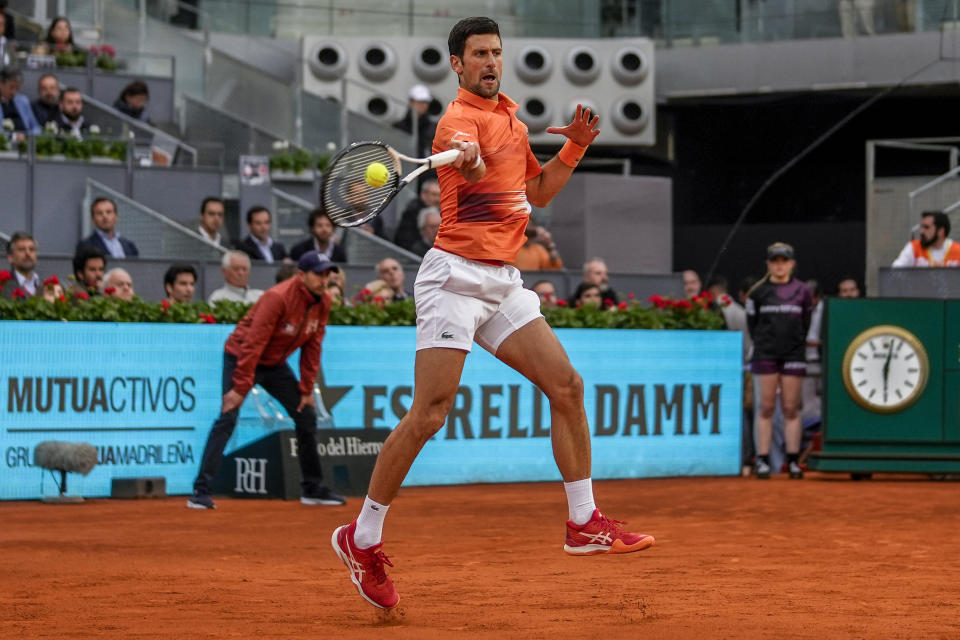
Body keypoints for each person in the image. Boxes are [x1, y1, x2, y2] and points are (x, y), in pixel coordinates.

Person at [332, 16, 653, 612]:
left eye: (496, 53)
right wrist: (470, 162)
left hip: (503, 280)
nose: (490, 62)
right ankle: (362, 536)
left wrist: (576, 146)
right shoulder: (454, 124)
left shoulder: (511, 119)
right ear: (457, 64)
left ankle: (583, 522)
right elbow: (473, 174)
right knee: (430, 414)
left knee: (567, 385)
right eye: (479, 54)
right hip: (453, 277)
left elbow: (537, 194)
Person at [188, 251, 346, 510]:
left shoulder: (324, 301)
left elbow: (313, 347)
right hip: (242, 356)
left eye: (327, 274)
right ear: (301, 275)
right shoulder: (277, 297)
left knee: (305, 414)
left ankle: (312, 488)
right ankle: (201, 491)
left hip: (273, 363)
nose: (324, 279)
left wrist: (306, 389)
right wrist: (240, 387)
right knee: (228, 414)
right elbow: (253, 343)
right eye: (318, 274)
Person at [745, 242, 813, 480]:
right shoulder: (758, 292)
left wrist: (794, 343)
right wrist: (766, 345)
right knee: (765, 407)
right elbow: (752, 325)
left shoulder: (803, 291)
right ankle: (762, 460)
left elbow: (806, 322)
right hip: (765, 354)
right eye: (775, 261)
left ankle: (793, 461)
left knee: (791, 408)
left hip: (793, 354)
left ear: (792, 264)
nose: (779, 265)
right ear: (768, 264)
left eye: (784, 261)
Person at [891, 211, 960, 267]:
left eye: (926, 227)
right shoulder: (914, 247)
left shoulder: (958, 250)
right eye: (922, 227)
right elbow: (895, 272)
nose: (921, 231)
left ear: (940, 231)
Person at [394, 179, 441, 250]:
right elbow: (404, 240)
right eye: (434, 195)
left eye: (439, 195)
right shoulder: (411, 213)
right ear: (423, 195)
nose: (437, 199)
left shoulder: (446, 212)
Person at [393, 83, 437, 159]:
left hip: (427, 168)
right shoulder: (399, 127)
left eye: (426, 102)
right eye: (420, 101)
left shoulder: (433, 128)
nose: (423, 105)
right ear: (411, 102)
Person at [0, 66, 40, 134]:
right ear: (1, 83)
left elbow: (36, 127)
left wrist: (27, 136)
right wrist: (13, 137)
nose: (14, 92)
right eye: (11, 87)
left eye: (17, 88)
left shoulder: (23, 101)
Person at [5, 231, 40, 297]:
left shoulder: (45, 285)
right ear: (10, 257)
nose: (28, 253)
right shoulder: (4, 285)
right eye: (21, 249)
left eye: (31, 249)